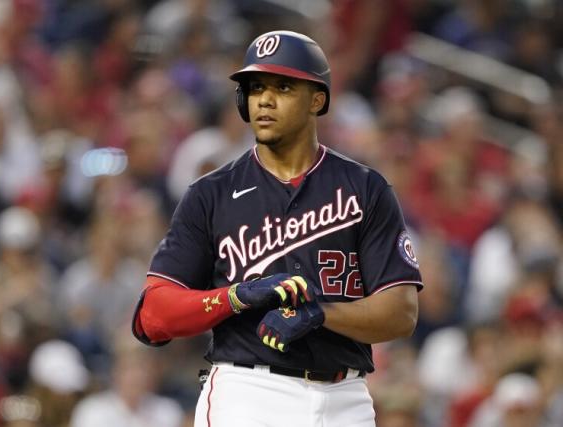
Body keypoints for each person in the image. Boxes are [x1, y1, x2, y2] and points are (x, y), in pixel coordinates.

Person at [132, 30, 423, 427]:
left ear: (317, 100)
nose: (264, 99)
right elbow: (152, 316)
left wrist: (319, 313)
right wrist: (235, 297)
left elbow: (401, 313)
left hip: (346, 398)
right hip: (250, 393)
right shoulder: (211, 194)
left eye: (282, 86)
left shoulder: (364, 188)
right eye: (255, 88)